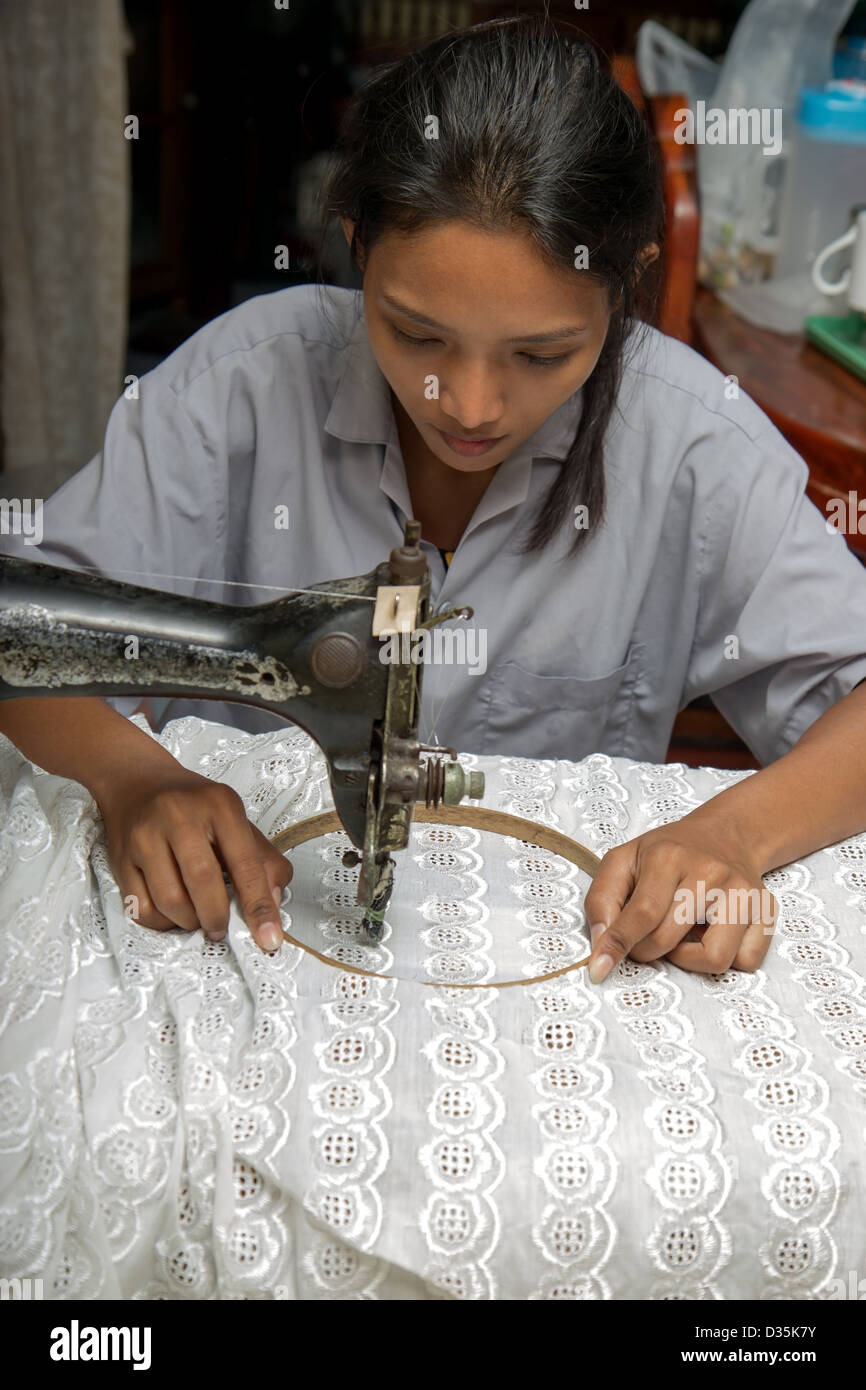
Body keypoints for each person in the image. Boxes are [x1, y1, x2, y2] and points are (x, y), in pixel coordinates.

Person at [1, 16, 865, 985]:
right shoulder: (237, 388)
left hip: (547, 953)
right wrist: (133, 775)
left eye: (541, 355)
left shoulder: (693, 445)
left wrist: (732, 833)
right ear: (356, 245)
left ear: (625, 287)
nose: (469, 406)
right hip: (252, 935)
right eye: (414, 334)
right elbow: (32, 629)